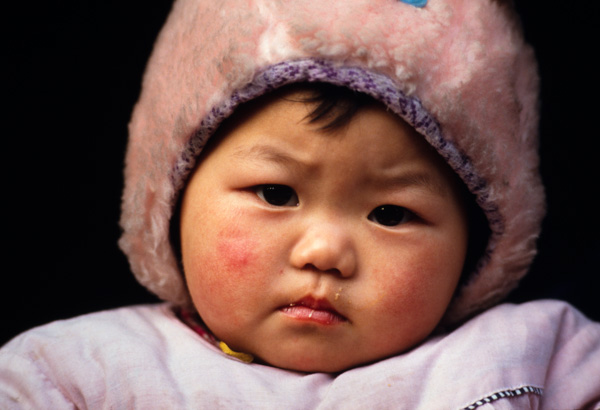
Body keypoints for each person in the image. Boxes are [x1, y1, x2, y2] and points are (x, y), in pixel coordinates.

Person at [1, 0, 599, 408]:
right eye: (276, 193)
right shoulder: (75, 371)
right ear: (170, 202)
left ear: (478, 246)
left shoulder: (535, 357)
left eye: (390, 214)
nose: (325, 253)